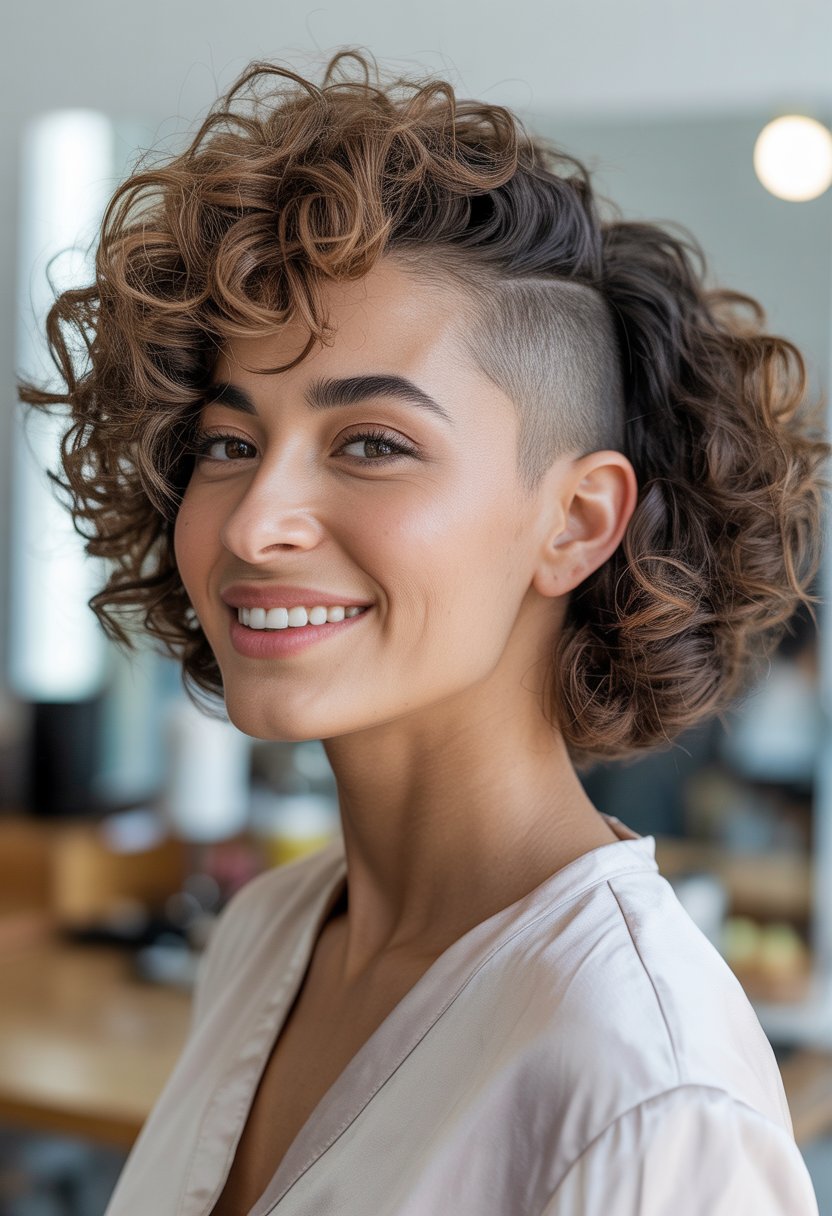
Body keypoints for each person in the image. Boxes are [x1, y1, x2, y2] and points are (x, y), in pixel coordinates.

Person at [17, 48, 829, 1216]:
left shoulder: (647, 1092)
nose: (256, 519)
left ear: (574, 520)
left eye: (372, 444)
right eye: (228, 444)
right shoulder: (271, 934)